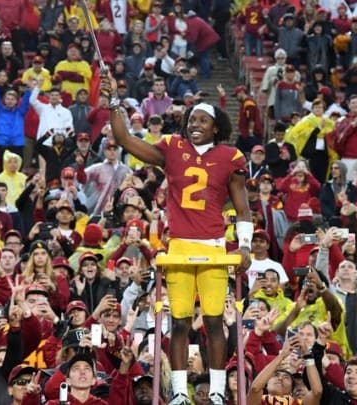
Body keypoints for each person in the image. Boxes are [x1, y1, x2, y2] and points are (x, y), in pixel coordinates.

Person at [103, 73, 252, 405]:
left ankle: (215, 391)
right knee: (180, 322)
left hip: (214, 245)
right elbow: (126, 139)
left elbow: (243, 208)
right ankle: (180, 392)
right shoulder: (172, 147)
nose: (194, 124)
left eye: (202, 119)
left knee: (214, 321)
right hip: (180, 245)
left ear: (216, 127)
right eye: (191, 119)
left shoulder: (230, 156)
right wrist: (114, 101)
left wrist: (243, 245)